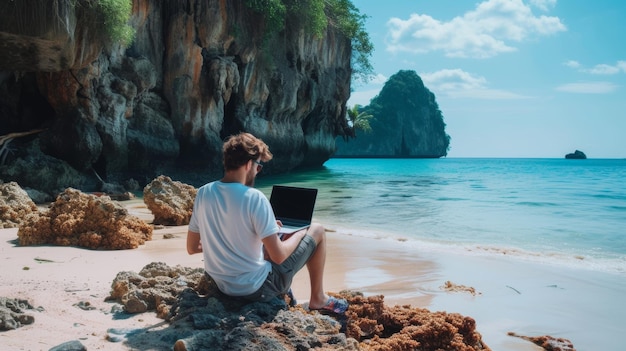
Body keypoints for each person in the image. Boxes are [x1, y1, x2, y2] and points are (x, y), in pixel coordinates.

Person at [185, 132, 348, 314]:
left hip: (222, 286)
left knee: (269, 244)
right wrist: (300, 233)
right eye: (258, 167)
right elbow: (278, 256)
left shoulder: (204, 193)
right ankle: (318, 298)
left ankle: (289, 292)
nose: (257, 172)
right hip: (257, 289)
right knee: (317, 230)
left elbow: (192, 247)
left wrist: (224, 242)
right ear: (248, 165)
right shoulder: (254, 198)